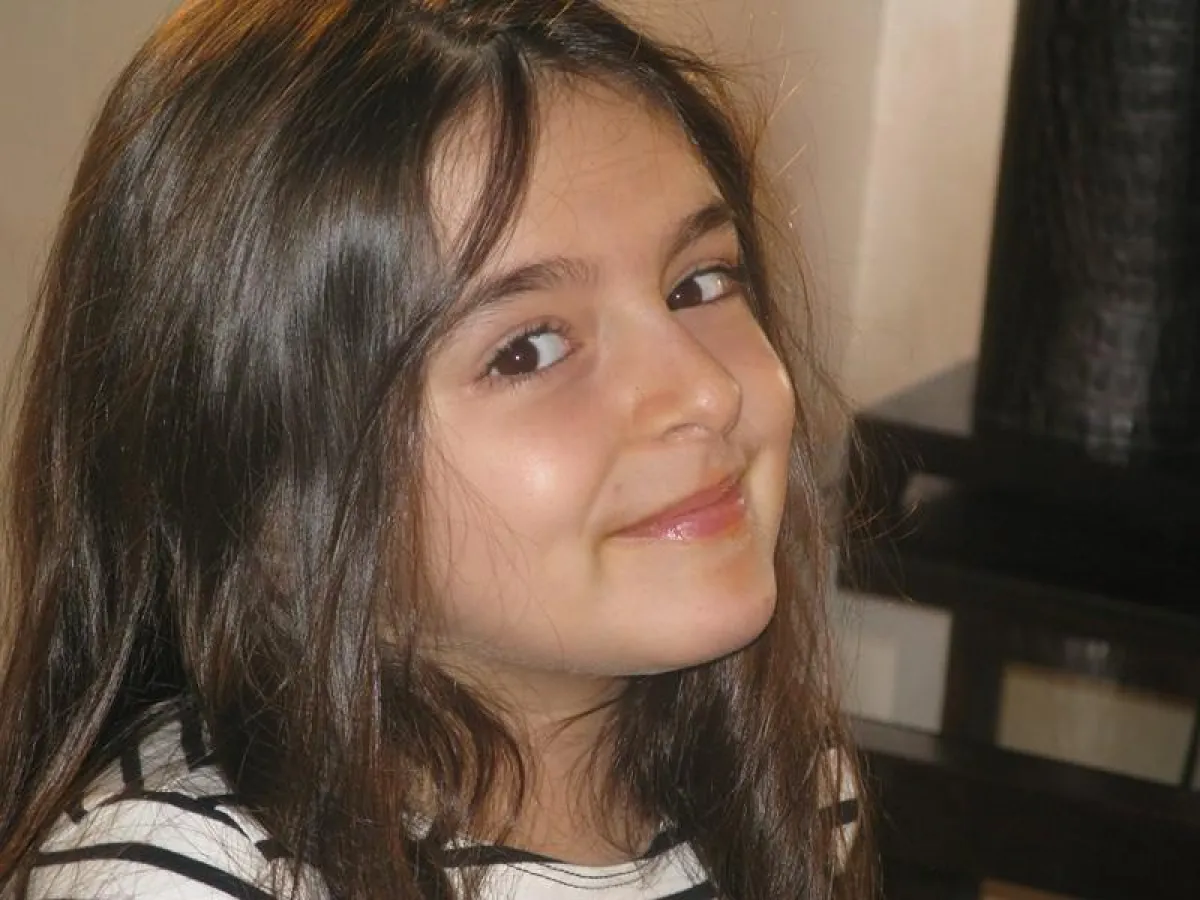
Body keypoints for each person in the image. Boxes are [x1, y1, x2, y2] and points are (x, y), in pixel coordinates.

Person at [0, 1, 867, 898]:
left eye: (700, 283)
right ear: (277, 506)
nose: (706, 391)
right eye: (528, 350)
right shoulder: (186, 873)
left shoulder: (780, 785)